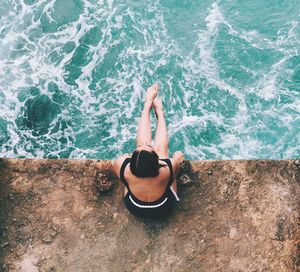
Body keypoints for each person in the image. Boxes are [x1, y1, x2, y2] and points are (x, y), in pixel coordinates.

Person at [112, 83, 184, 219]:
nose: (146, 144)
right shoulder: (167, 169)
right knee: (162, 150)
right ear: (157, 163)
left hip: (135, 207)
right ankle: (160, 113)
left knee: (143, 148)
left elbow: (117, 171)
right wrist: (177, 159)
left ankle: (147, 106)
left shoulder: (123, 168)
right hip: (164, 206)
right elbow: (175, 171)